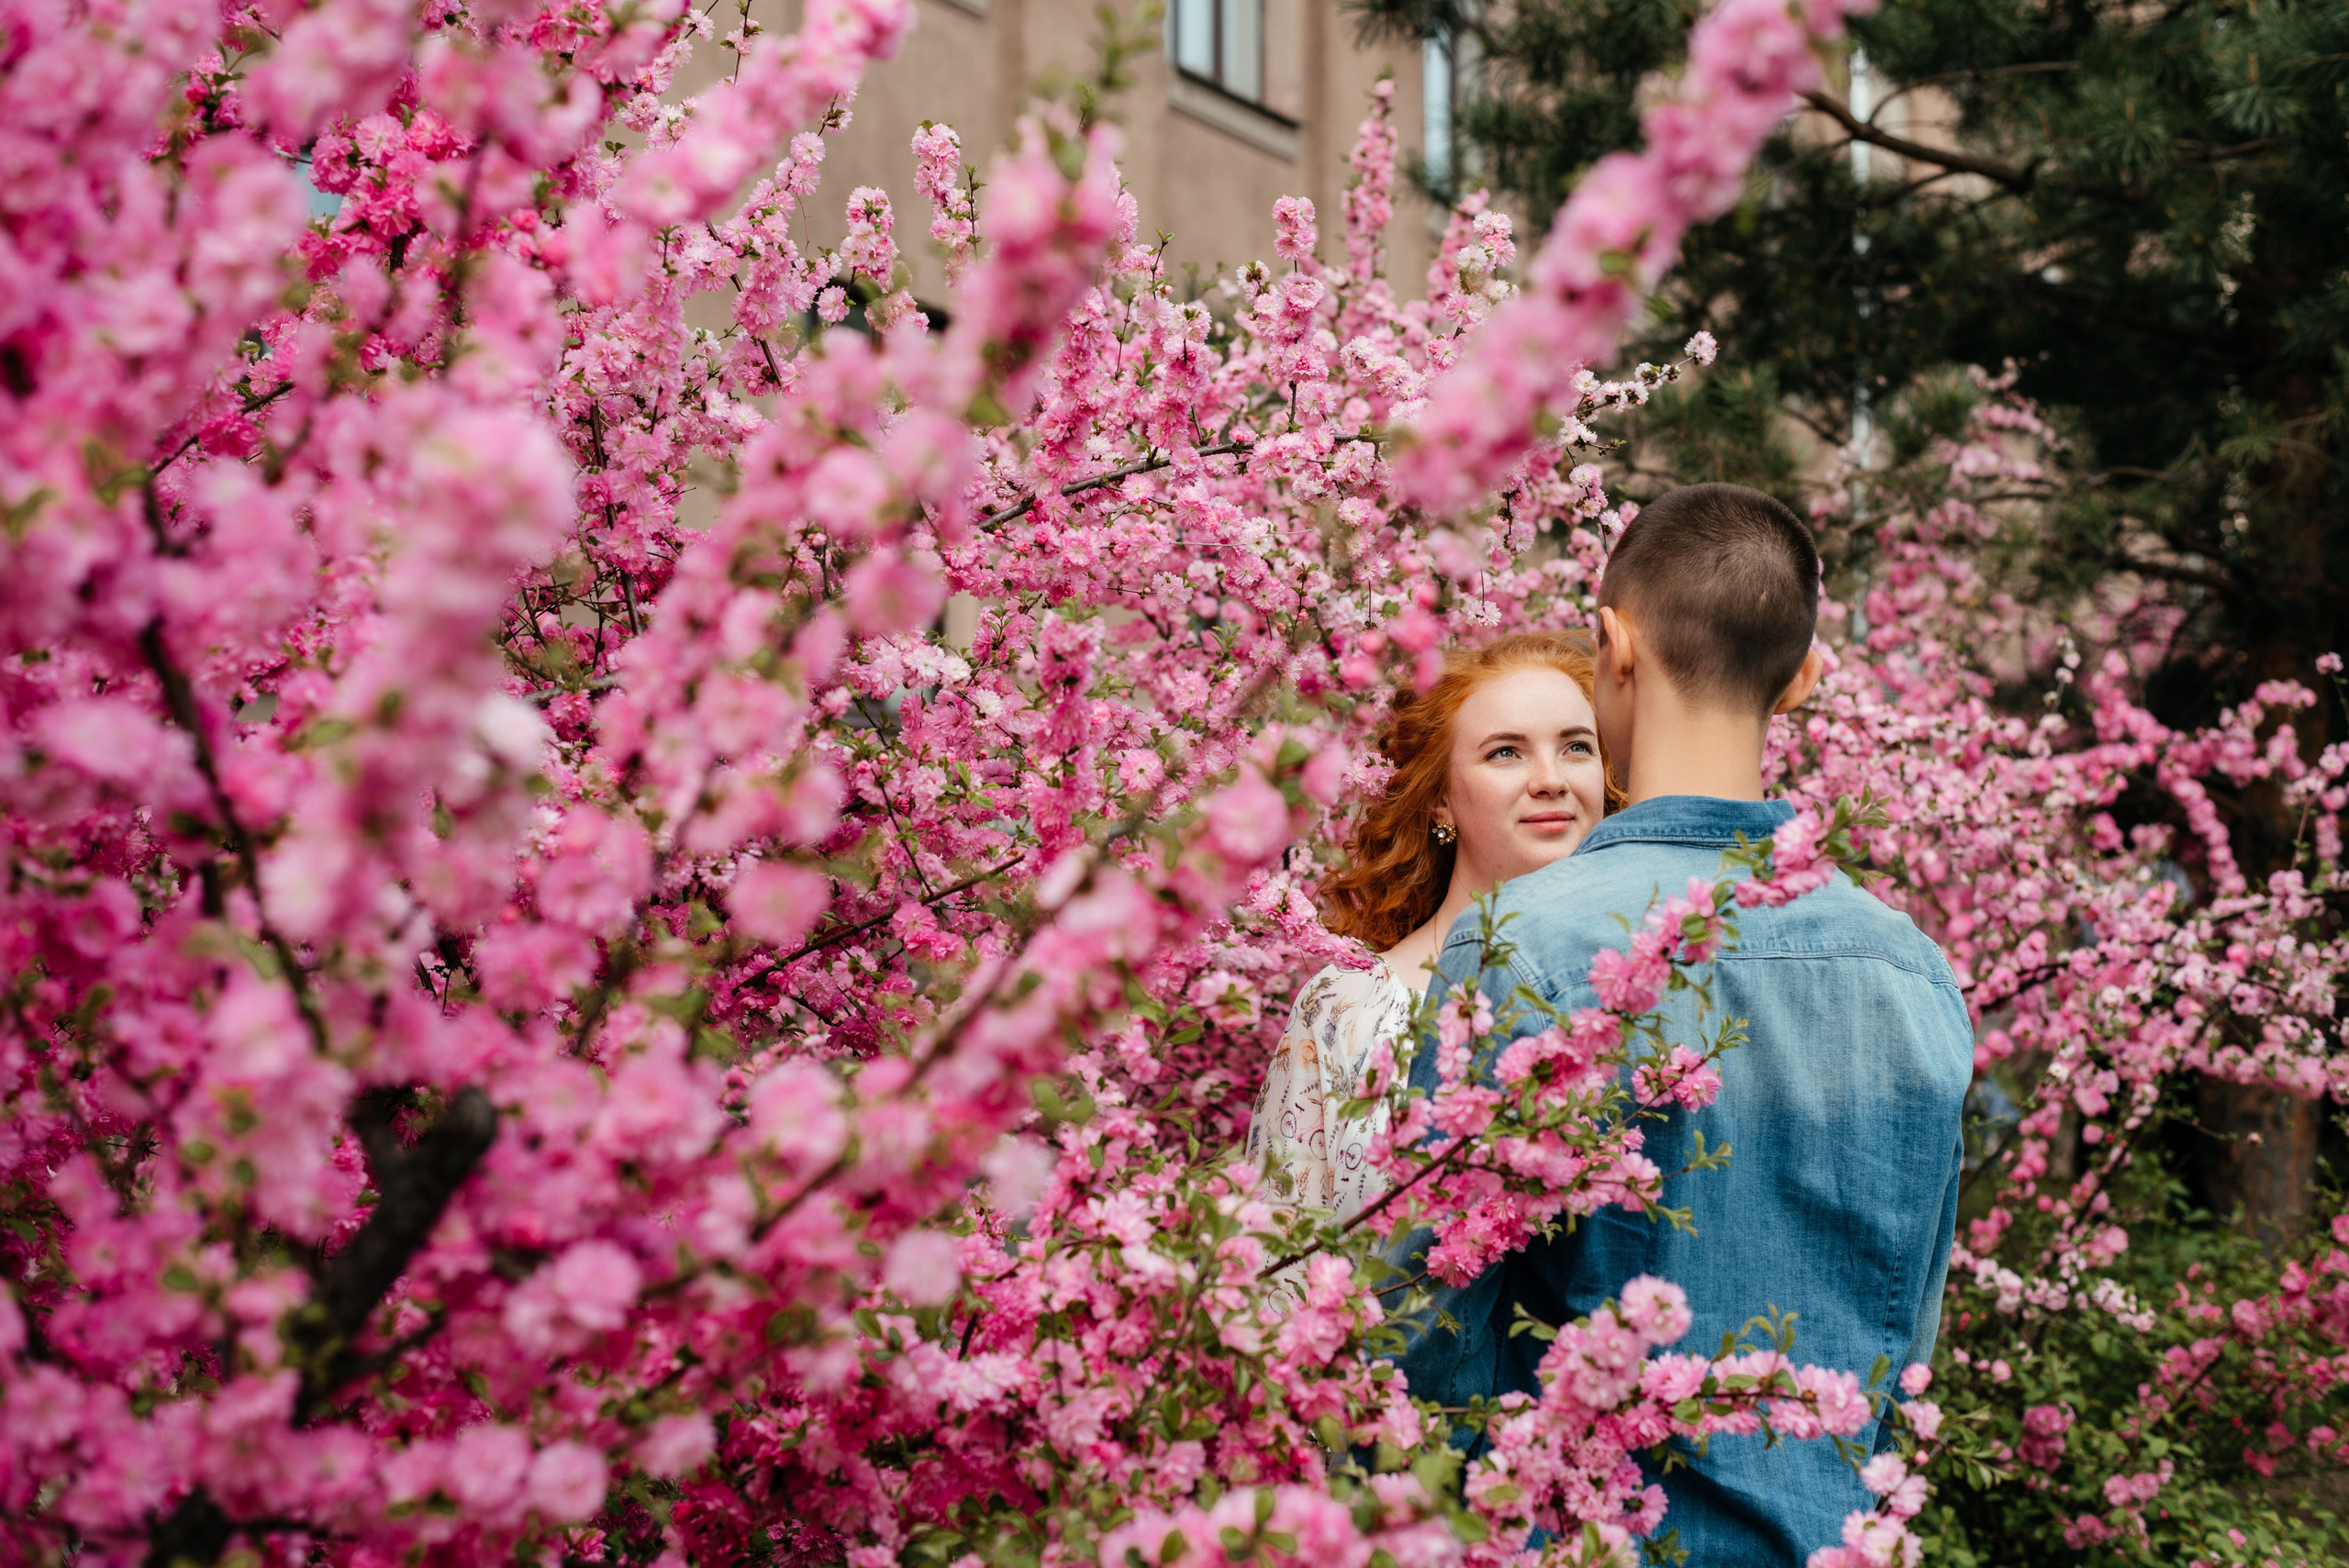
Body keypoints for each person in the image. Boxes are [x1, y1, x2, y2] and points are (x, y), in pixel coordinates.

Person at [1395, 485, 1974, 1564]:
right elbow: (1908, 1337)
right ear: (1802, 677)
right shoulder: (1912, 969)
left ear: (1612, 645)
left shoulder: (1517, 937)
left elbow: (1438, 1331)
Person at [1247, 632, 1618, 1221]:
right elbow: (1281, 1260)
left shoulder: (1650, 981)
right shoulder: (1345, 1009)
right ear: (1442, 799)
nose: (1551, 778)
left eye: (1576, 747)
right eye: (1506, 752)